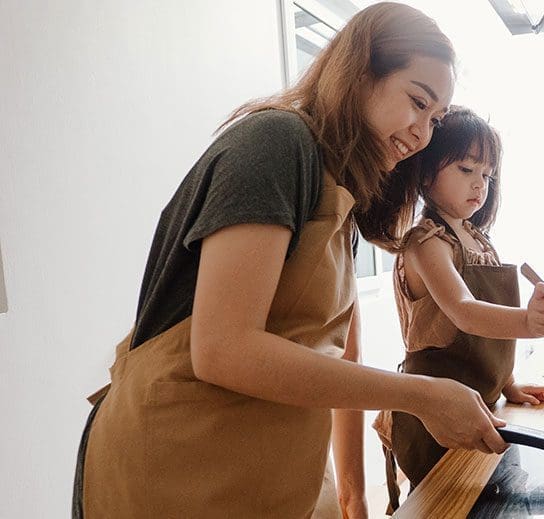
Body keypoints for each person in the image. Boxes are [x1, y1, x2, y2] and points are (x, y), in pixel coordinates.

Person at [72, 4, 510, 518]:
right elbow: (224, 349)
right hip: (175, 469)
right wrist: (422, 395)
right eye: (417, 101)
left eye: (435, 119)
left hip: (264, 469)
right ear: (360, 74)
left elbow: (341, 356)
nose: (422, 134)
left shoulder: (342, 194)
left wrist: (353, 496)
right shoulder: (277, 145)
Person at [373, 107, 544, 509]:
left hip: (479, 406)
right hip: (434, 414)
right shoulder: (426, 242)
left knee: (484, 500)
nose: (479, 184)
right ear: (425, 174)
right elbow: (464, 311)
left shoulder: (478, 239)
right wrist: (528, 321)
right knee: (440, 504)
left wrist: (508, 382)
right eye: (466, 169)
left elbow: (485, 340)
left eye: (487, 175)